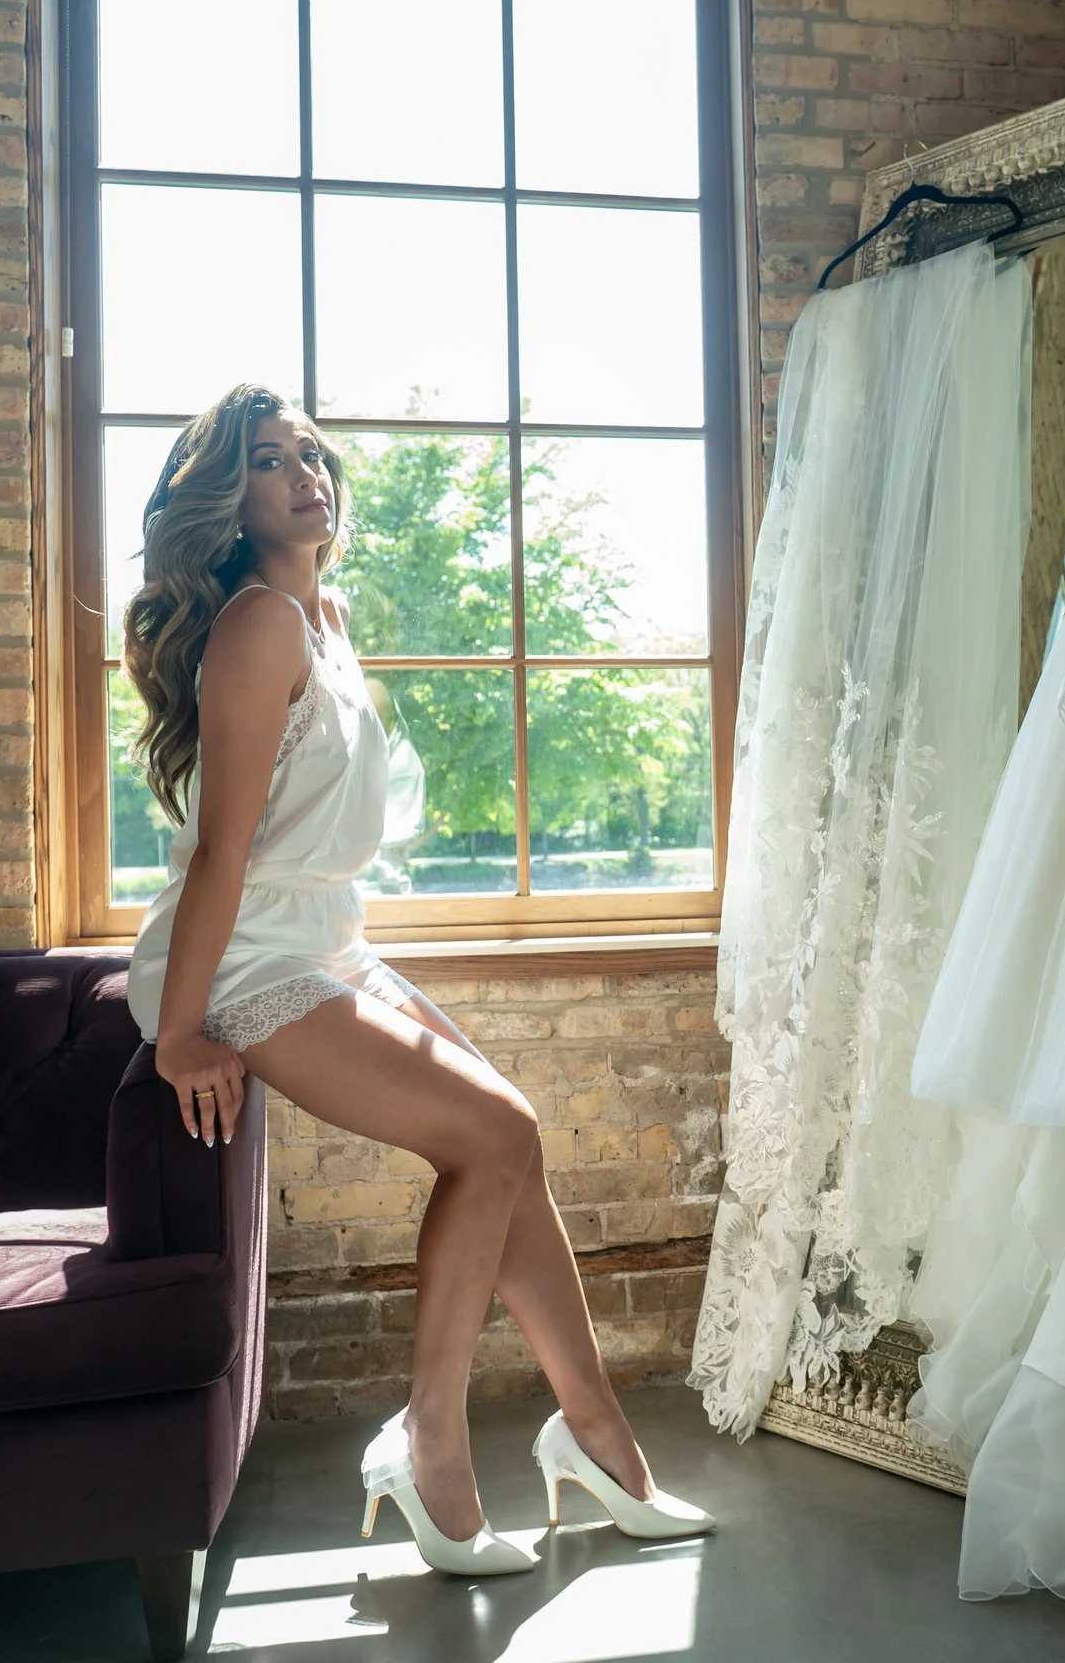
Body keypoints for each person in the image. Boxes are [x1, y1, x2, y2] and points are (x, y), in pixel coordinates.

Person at [120, 383, 713, 1574]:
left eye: (308, 455)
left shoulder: (321, 613)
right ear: (226, 501)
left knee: (511, 1141)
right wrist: (180, 1028)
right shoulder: (254, 624)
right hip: (247, 955)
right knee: (495, 1129)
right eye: (267, 462)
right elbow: (224, 850)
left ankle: (594, 1432)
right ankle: (429, 1437)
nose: (304, 476)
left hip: (326, 937)